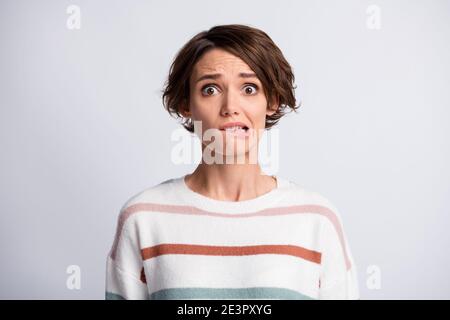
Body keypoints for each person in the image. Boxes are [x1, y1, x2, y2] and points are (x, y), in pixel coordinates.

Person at [105, 24, 359, 300]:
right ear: (185, 105)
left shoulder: (317, 219)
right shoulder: (143, 218)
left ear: (271, 101)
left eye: (249, 88)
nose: (230, 107)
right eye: (210, 89)